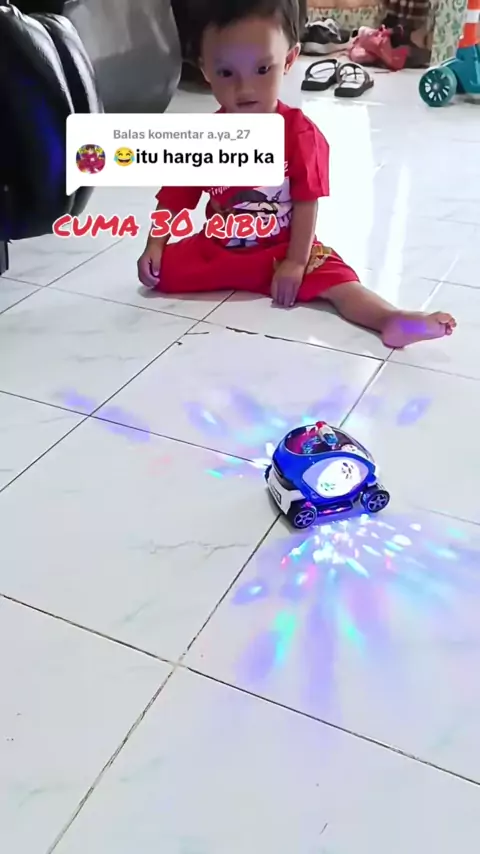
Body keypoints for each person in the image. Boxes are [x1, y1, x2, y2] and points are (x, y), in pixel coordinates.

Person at [137, 0, 456, 348]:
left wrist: (295, 262)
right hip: (219, 251)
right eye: (227, 73)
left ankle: (391, 319)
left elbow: (306, 202)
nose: (245, 89)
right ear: (206, 70)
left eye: (262, 69)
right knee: (158, 272)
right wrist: (155, 245)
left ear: (289, 60)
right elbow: (173, 198)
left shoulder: (300, 134)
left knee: (340, 283)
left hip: (284, 250)